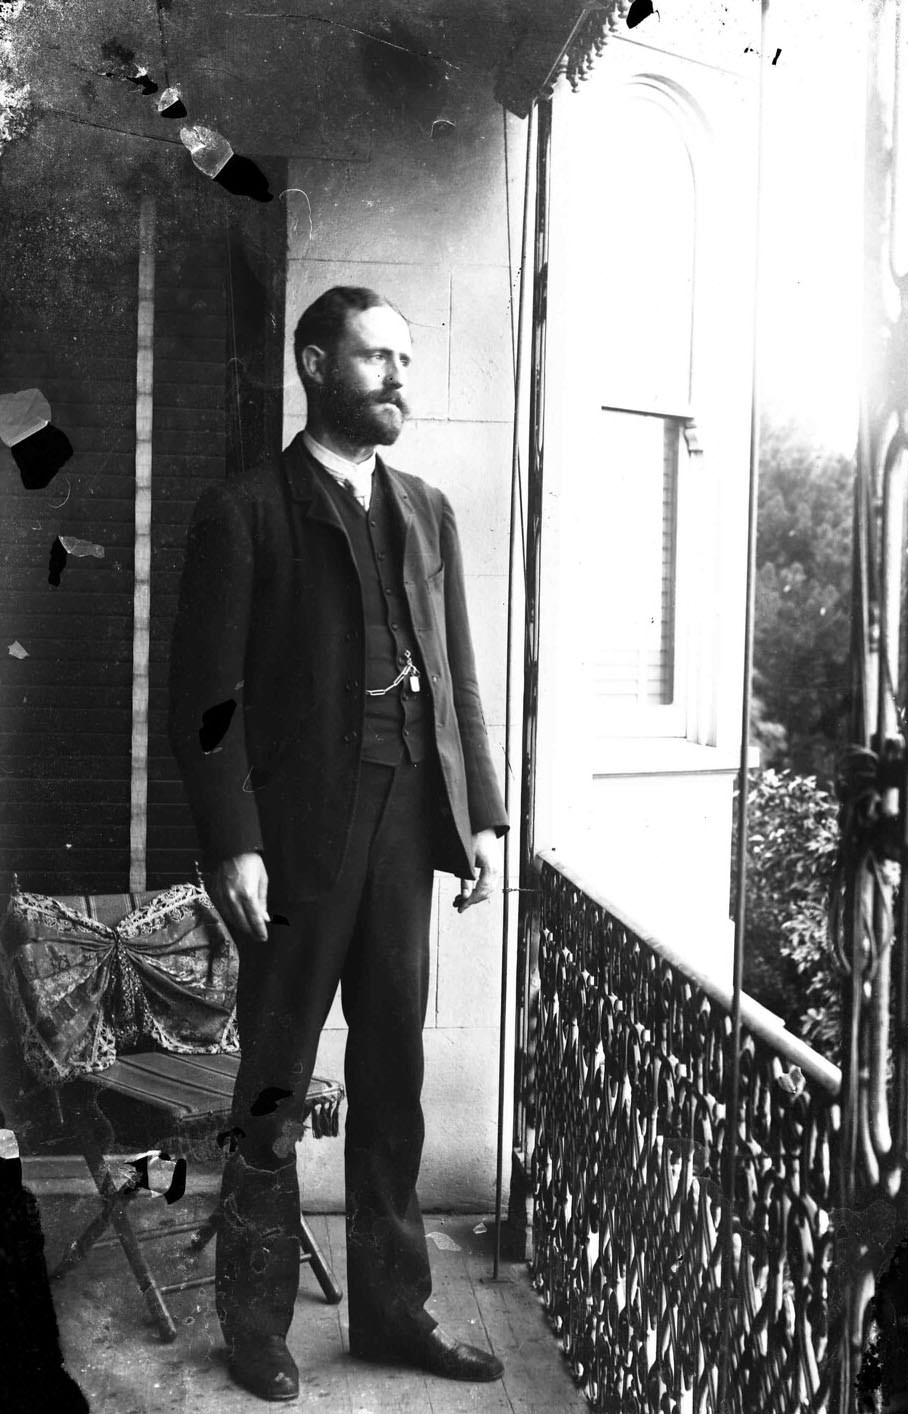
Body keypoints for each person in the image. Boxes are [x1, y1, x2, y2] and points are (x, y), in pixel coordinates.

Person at [168, 286, 508, 1402]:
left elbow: (457, 677)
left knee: (395, 1069)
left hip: (409, 826)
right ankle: (256, 1324)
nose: (400, 376)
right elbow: (204, 699)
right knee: (271, 1083)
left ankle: (396, 1315)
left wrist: (484, 818)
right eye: (376, 357)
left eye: (409, 356)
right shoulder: (247, 510)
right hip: (298, 840)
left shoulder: (428, 508)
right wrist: (235, 843)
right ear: (317, 364)